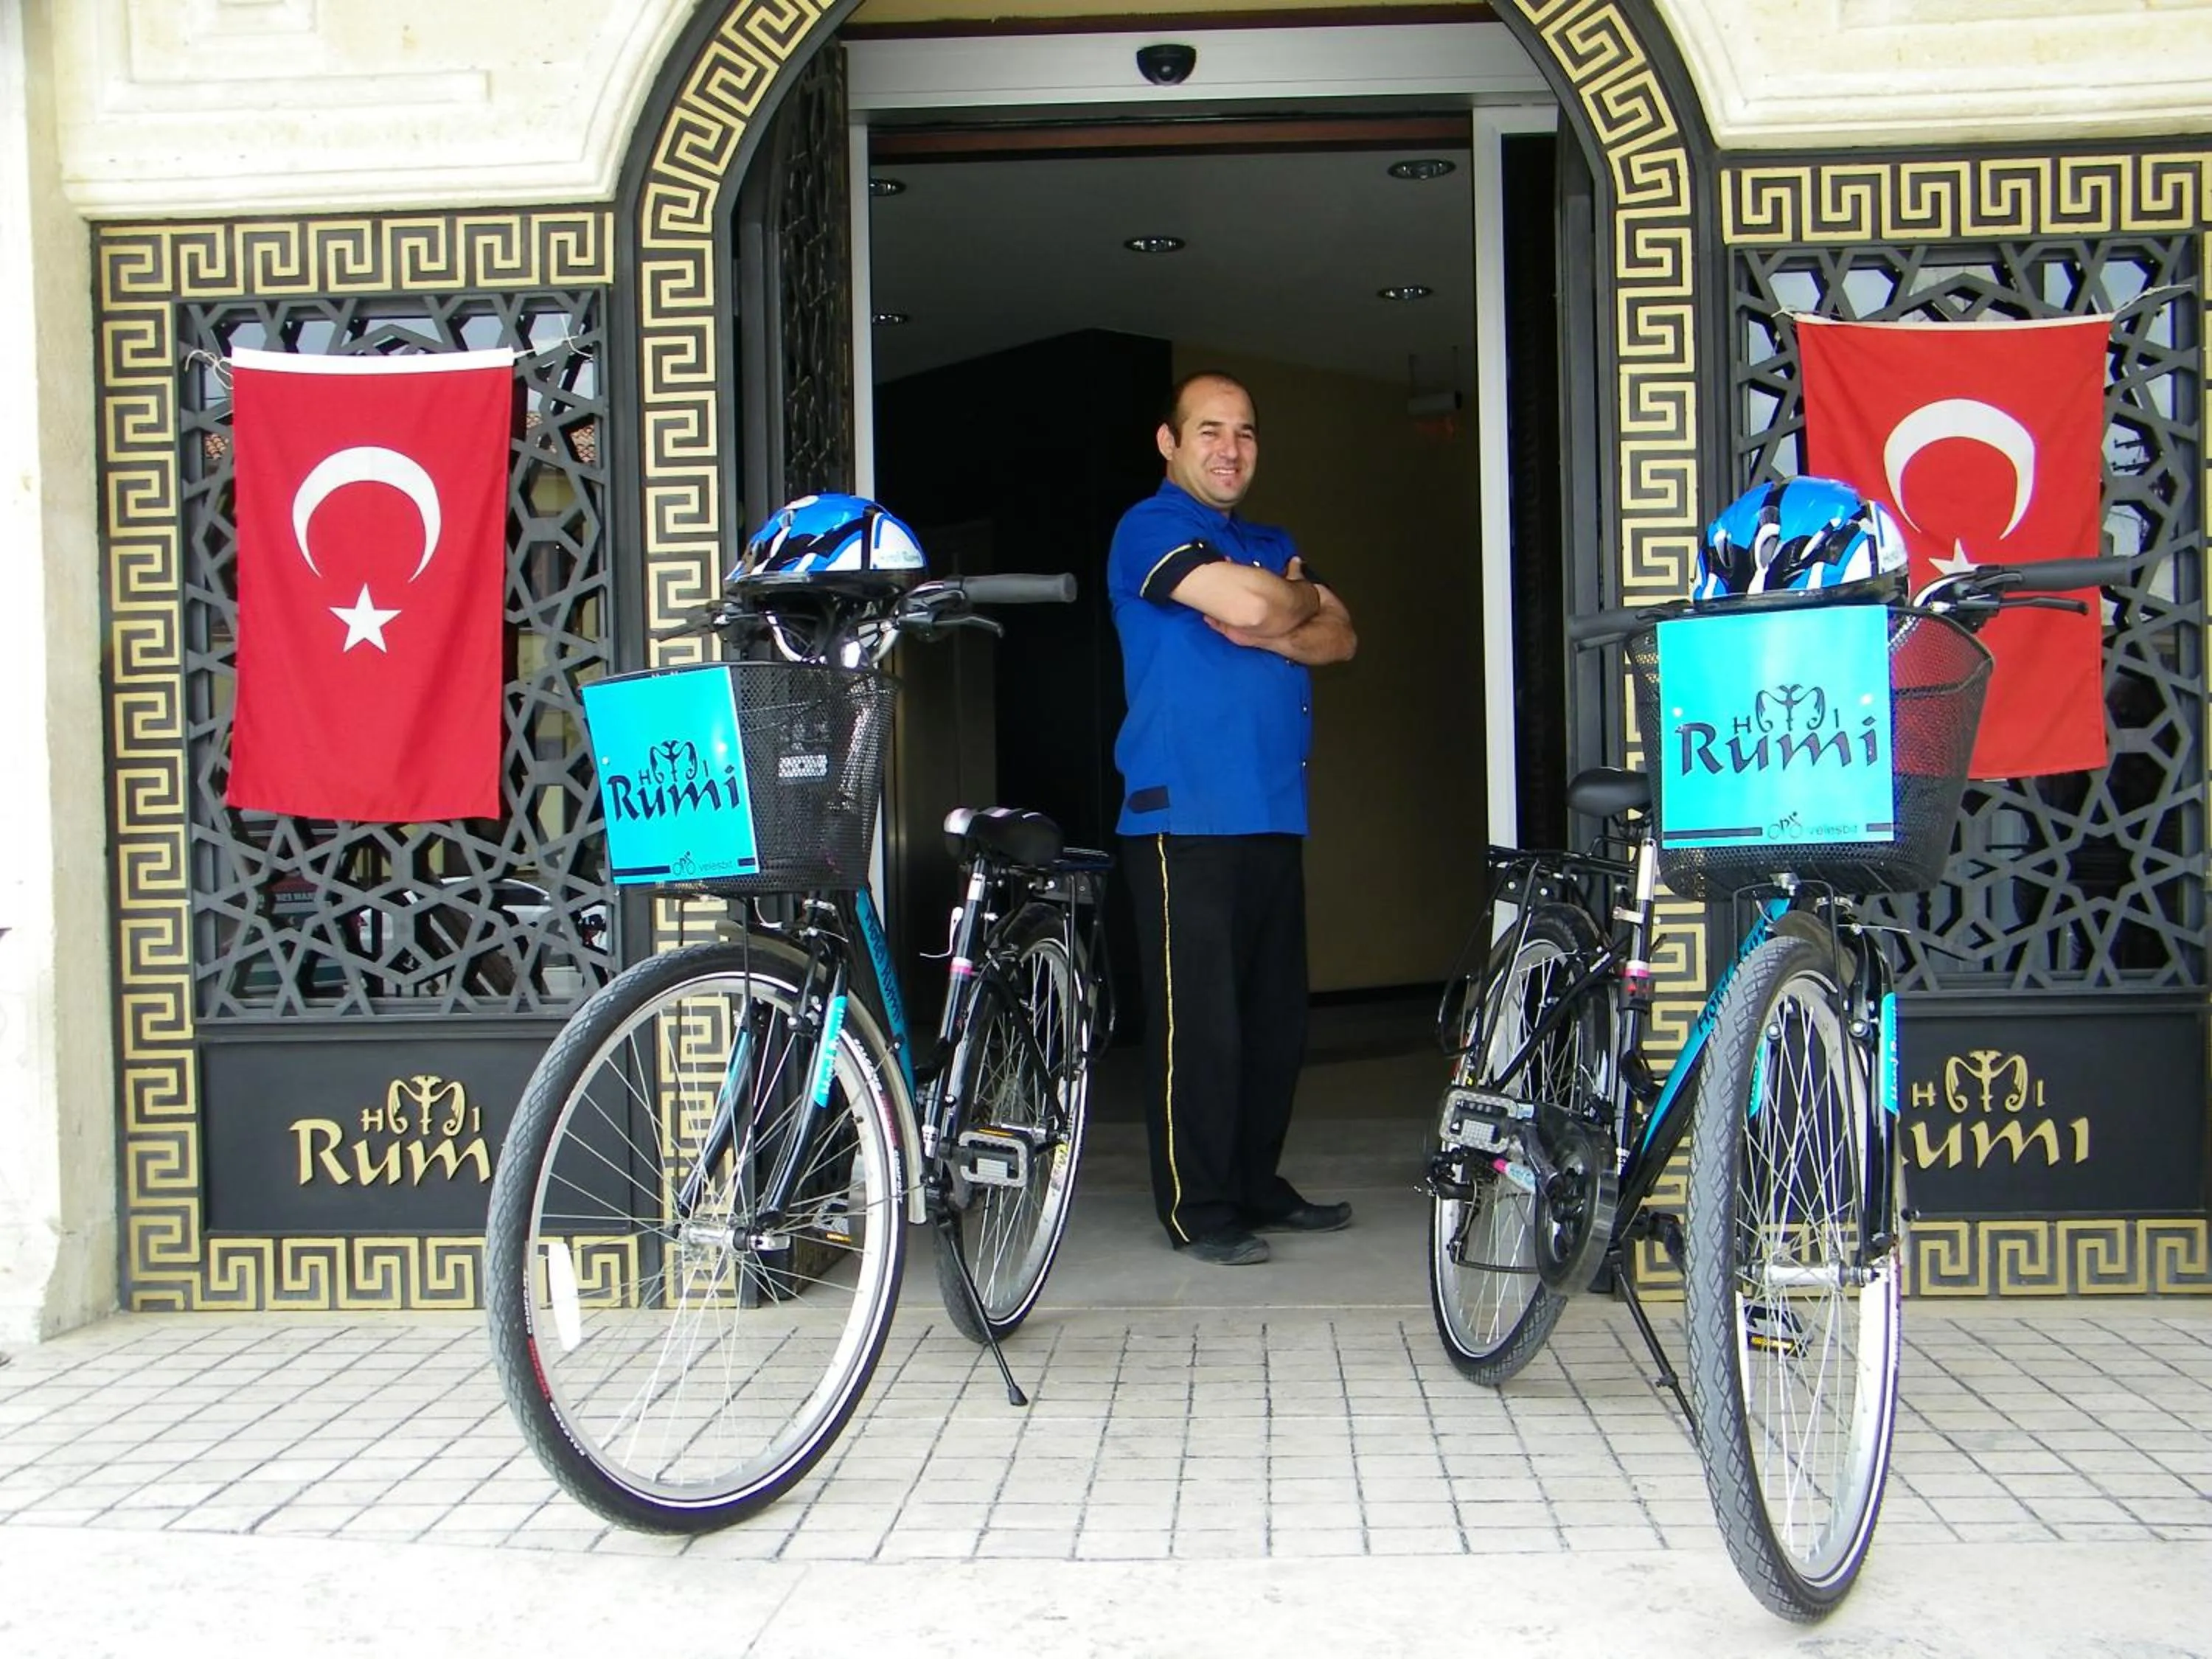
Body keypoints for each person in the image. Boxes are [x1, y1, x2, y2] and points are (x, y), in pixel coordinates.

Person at [1106, 369, 1358, 1266]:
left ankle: (1256, 1181)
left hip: (1272, 808)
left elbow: (1341, 635)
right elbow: (1265, 605)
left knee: (1272, 1019)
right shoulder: (1151, 528)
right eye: (1209, 431)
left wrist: (1272, 611)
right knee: (1200, 1026)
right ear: (1169, 442)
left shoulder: (1266, 537)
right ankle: (1199, 1205)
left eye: (1245, 432)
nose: (1230, 449)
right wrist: (1278, 604)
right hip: (1184, 814)